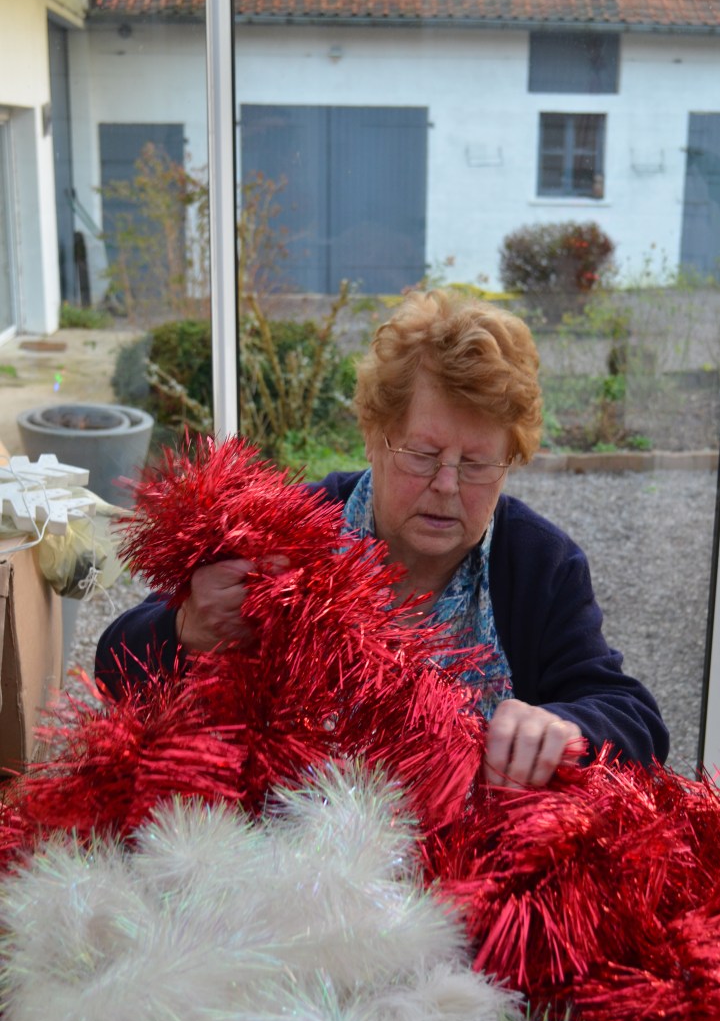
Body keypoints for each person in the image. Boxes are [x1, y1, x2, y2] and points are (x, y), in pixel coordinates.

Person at [96, 289, 669, 786]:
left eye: (476, 464)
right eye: (423, 455)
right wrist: (188, 628)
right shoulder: (294, 527)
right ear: (375, 438)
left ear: (510, 462)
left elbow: (633, 716)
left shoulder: (540, 564)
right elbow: (112, 667)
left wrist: (568, 726)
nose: (446, 486)